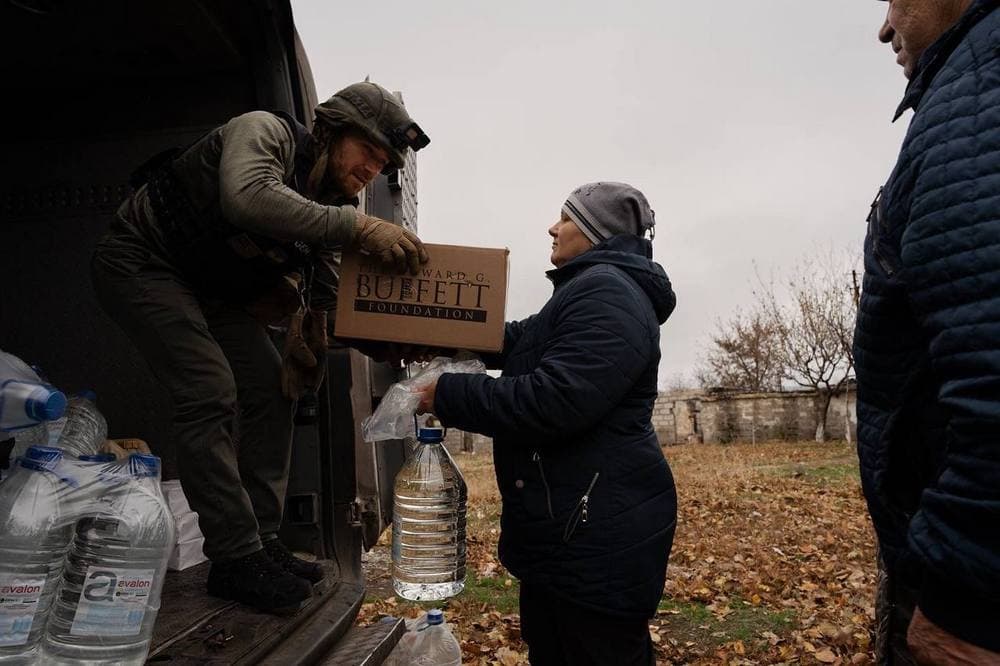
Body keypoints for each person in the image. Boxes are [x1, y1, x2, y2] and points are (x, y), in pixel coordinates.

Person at [91, 81, 430, 613]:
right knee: (209, 390)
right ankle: (234, 557)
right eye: (368, 151)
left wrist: (383, 342)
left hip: (210, 293)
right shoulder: (265, 131)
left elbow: (329, 301)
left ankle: (262, 541)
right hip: (142, 261)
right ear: (335, 129)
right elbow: (246, 196)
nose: (371, 169)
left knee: (274, 388)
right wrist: (357, 227)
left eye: (383, 161)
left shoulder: (327, 205)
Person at [417, 182, 677, 665]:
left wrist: (446, 393)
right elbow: (520, 340)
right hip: (574, 532)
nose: (552, 228)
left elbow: (554, 400)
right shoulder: (589, 290)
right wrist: (441, 334)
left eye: (566, 218)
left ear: (597, 231)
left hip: (598, 537)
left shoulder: (608, 293)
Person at [855, 1, 1000, 663]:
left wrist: (964, 607)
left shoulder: (978, 95)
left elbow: (990, 362)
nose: (885, 27)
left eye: (895, 0)